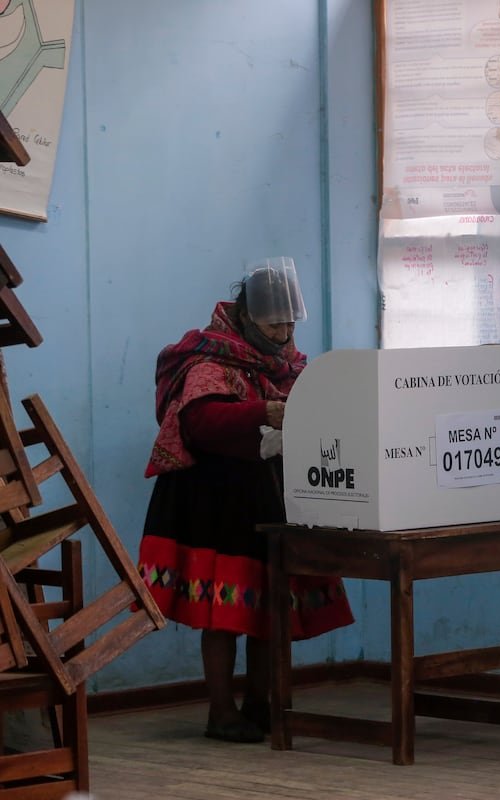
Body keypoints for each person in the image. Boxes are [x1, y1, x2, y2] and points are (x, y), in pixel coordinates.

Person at [138, 258, 354, 744]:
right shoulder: (208, 360)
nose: (283, 333)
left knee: (268, 605)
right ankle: (221, 711)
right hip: (213, 501)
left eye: (290, 323)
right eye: (273, 322)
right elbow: (200, 424)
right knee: (224, 613)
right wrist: (265, 412)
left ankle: (261, 702)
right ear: (245, 316)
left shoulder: (289, 365)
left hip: (268, 496)